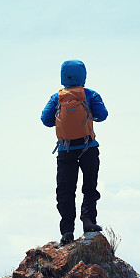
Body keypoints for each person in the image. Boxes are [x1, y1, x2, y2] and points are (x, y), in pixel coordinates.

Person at [41, 60, 108, 246]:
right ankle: (88, 221)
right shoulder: (90, 94)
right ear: (83, 75)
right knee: (89, 187)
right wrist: (88, 116)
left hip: (65, 149)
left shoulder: (57, 98)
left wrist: (62, 119)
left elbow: (45, 120)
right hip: (89, 148)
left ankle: (67, 230)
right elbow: (103, 115)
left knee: (65, 191)